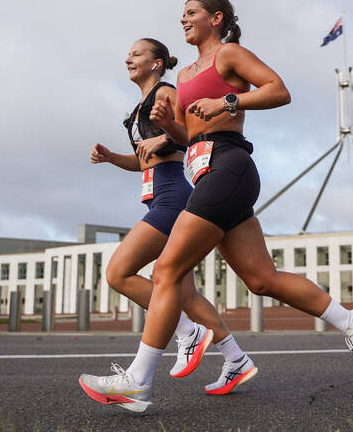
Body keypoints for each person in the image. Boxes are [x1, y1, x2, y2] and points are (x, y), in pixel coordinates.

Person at [79, 0, 353, 413]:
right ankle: (352, 321)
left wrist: (229, 100)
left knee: (167, 269)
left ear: (216, 18)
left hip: (230, 164)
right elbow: (187, 136)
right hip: (205, 171)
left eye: (192, 12)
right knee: (261, 280)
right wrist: (170, 125)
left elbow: (279, 90)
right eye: (181, 14)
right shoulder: (183, 75)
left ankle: (138, 381)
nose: (183, 18)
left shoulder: (229, 54)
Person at [80, 38, 254, 409]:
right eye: (128, 53)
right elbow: (146, 160)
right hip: (157, 195)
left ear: (157, 63)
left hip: (174, 197)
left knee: (118, 272)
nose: (128, 58)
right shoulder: (141, 105)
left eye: (137, 53)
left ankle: (185, 332)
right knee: (183, 293)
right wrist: (113, 158)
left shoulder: (168, 92)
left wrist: (163, 133)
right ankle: (235, 358)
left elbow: (190, 135)